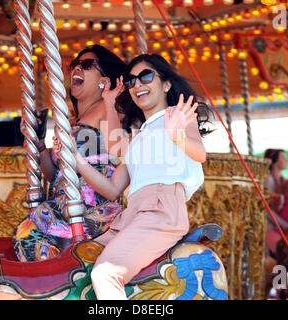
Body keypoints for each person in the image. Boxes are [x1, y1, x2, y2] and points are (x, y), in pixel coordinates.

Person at [73, 53, 212, 299]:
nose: (137, 84)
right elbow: (113, 186)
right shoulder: (140, 136)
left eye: (146, 76)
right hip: (132, 214)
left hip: (161, 209)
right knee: (79, 263)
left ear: (166, 84)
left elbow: (199, 153)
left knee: (106, 273)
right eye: (132, 81)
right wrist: (76, 160)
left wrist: (176, 134)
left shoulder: (175, 117)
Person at [13, 45, 126, 262]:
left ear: (104, 79)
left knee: (29, 234)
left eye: (86, 65)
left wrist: (111, 104)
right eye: (74, 65)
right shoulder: (70, 122)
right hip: (64, 203)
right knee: (28, 233)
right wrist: (39, 144)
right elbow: (54, 175)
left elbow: (116, 149)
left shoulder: (108, 108)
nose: (76, 69)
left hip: (93, 206)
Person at [263, 148, 288, 256]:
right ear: (275, 162)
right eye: (283, 158)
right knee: (285, 252)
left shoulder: (283, 179)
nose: (286, 161)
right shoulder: (268, 180)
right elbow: (266, 208)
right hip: (270, 225)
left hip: (280, 224)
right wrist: (285, 224)